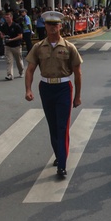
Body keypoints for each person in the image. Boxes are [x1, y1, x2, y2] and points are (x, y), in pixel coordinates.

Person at [24, 11, 83, 178]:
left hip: (64, 88)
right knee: (53, 126)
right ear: (45, 26)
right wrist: (28, 89)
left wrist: (77, 96)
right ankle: (59, 154)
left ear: (60, 26)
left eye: (54, 24)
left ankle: (62, 165)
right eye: (48, 24)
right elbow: (30, 70)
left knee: (62, 127)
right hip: (46, 88)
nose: (51, 27)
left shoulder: (69, 47)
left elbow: (78, 73)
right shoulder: (38, 47)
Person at [2, 11, 25, 80]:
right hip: (8, 46)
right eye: (5, 17)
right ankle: (10, 75)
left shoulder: (16, 25)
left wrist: (11, 39)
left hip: (16, 45)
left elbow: (20, 36)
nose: (6, 19)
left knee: (18, 61)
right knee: (9, 61)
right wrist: (3, 36)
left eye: (8, 17)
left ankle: (21, 71)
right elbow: (1, 32)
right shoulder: (4, 25)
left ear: (11, 17)